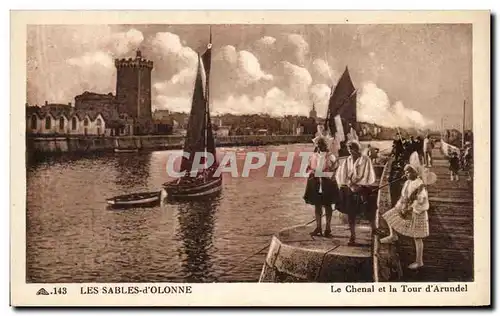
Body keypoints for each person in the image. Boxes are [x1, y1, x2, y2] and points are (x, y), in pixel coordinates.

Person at [379, 164, 430, 270]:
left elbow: (421, 200)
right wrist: (400, 207)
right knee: (391, 214)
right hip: (406, 207)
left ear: (416, 173)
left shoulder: (420, 185)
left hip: (417, 212)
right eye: (405, 172)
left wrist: (410, 208)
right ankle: (393, 235)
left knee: (417, 236)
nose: (406, 174)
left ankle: (419, 261)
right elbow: (404, 196)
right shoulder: (408, 182)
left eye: (408, 172)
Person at [335, 140, 377, 245]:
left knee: (368, 210)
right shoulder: (347, 160)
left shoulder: (365, 159)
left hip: (363, 187)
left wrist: (360, 185)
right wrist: (349, 184)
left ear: (357, 149)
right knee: (351, 213)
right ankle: (352, 236)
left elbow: (368, 174)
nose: (351, 152)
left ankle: (374, 229)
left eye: (352, 149)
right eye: (349, 149)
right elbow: (343, 174)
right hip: (350, 188)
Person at [303, 137, 340, 237]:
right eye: (318, 144)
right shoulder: (313, 156)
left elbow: (335, 169)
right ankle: (318, 227)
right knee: (317, 205)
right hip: (315, 183)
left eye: (322, 144)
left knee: (327, 205)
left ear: (326, 145)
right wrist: (313, 172)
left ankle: (328, 228)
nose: (320, 146)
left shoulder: (331, 156)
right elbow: (308, 169)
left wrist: (322, 173)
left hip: (327, 183)